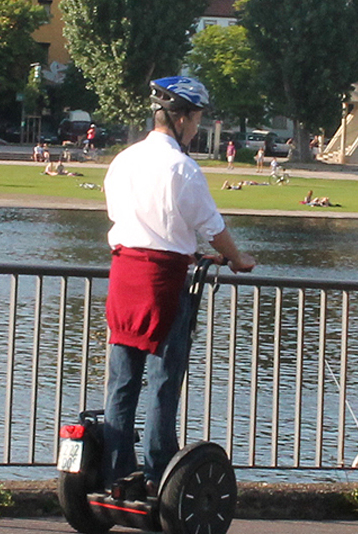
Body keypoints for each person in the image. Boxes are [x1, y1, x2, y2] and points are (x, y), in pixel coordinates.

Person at [100, 76, 255, 500]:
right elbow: (212, 227)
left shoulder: (124, 160)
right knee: (163, 382)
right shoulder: (182, 168)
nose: (196, 128)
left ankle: (115, 471)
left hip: (124, 276)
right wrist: (237, 259)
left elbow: (128, 221)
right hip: (162, 283)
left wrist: (184, 250)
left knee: (122, 381)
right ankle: (157, 472)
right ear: (181, 118)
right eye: (196, 120)